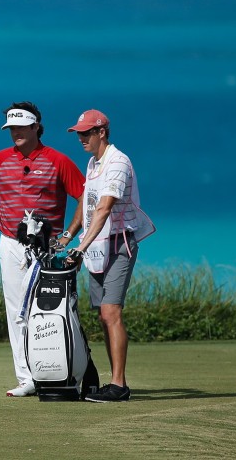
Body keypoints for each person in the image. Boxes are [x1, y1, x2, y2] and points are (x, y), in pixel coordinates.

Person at [0, 101, 85, 397]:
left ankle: (63, 371)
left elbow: (84, 195)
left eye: (20, 127)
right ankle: (27, 377)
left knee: (56, 310)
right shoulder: (0, 160)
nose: (15, 132)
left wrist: (69, 235)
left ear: (35, 127)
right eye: (11, 128)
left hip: (48, 248)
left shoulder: (58, 161)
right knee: (17, 310)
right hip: (10, 243)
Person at [65, 109, 154, 403]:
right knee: (103, 317)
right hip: (98, 245)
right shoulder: (93, 163)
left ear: (102, 132)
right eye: (79, 133)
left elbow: (104, 208)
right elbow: (89, 205)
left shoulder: (118, 162)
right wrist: (70, 236)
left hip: (118, 244)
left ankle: (119, 386)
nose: (81, 138)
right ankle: (116, 382)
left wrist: (80, 247)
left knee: (110, 312)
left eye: (86, 133)